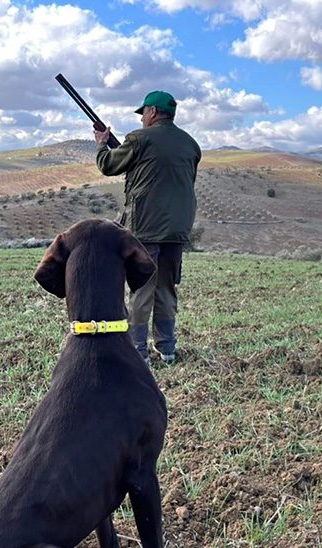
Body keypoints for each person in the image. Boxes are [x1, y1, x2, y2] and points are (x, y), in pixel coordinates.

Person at [93, 90, 201, 366]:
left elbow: (108, 165)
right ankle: (167, 349)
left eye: (144, 113)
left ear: (152, 112)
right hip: (177, 229)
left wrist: (101, 144)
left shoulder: (139, 139)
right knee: (166, 287)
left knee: (142, 290)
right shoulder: (191, 144)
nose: (142, 119)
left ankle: (138, 351)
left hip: (146, 227)